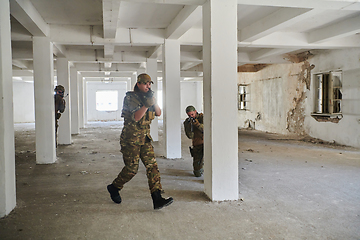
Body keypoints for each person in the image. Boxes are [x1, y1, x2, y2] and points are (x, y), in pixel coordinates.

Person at [107, 73, 173, 210]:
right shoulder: (130, 98)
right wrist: (146, 104)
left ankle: (157, 198)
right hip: (131, 139)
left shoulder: (149, 97)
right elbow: (136, 117)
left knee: (152, 166)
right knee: (132, 169)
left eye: (150, 83)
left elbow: (159, 113)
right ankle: (114, 187)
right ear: (138, 84)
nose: (148, 86)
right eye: (145, 83)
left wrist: (153, 101)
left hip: (145, 138)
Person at [183, 105, 204, 177]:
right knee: (197, 173)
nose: (191, 116)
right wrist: (189, 126)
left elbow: (207, 130)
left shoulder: (202, 118)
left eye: (192, 114)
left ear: (195, 112)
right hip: (197, 145)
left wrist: (197, 124)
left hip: (206, 143)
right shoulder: (188, 122)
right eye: (189, 115)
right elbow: (190, 136)